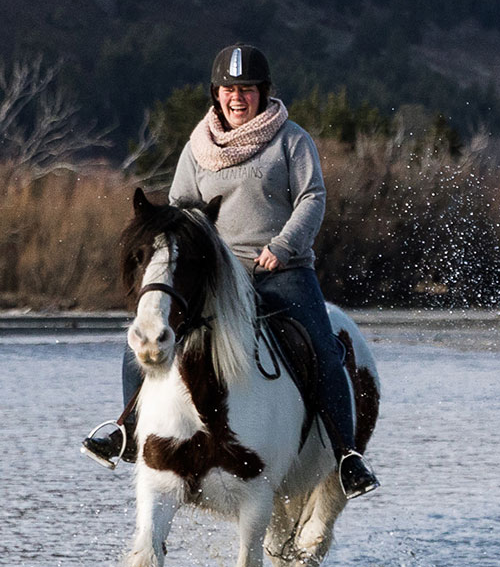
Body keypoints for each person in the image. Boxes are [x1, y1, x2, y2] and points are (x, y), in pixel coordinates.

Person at [82, 43, 380, 498]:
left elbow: (312, 199)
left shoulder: (291, 140)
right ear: (216, 93)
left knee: (323, 350)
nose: (236, 98)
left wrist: (283, 246)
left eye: (246, 90)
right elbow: (182, 210)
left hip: (283, 269)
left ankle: (346, 457)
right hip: (220, 276)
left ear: (263, 93)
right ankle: (127, 432)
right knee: (144, 341)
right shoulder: (197, 147)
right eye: (228, 89)